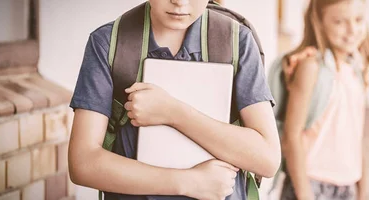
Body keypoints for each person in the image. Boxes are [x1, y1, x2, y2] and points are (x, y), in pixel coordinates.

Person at [67, 1, 281, 200]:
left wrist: (173, 112)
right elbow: (83, 163)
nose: (179, 1)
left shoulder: (236, 42)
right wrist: (189, 182)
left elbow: (267, 160)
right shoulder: (108, 43)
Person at [274, 0, 369, 199]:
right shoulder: (311, 67)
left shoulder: (355, 69)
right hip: (311, 185)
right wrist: (305, 195)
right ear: (319, 21)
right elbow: (291, 136)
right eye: (339, 22)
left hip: (347, 186)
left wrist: (362, 188)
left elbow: (355, 134)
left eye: (358, 19)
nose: (352, 29)